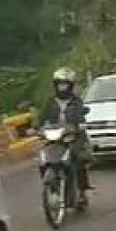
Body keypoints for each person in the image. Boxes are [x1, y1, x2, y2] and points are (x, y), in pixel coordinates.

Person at [35, 67, 92, 201]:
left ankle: (82, 189)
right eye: (59, 84)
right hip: (54, 136)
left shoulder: (77, 101)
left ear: (70, 85)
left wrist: (79, 126)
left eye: (65, 84)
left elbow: (81, 117)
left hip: (73, 136)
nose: (62, 87)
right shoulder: (50, 101)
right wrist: (36, 127)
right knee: (43, 161)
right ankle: (52, 187)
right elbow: (41, 117)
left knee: (78, 158)